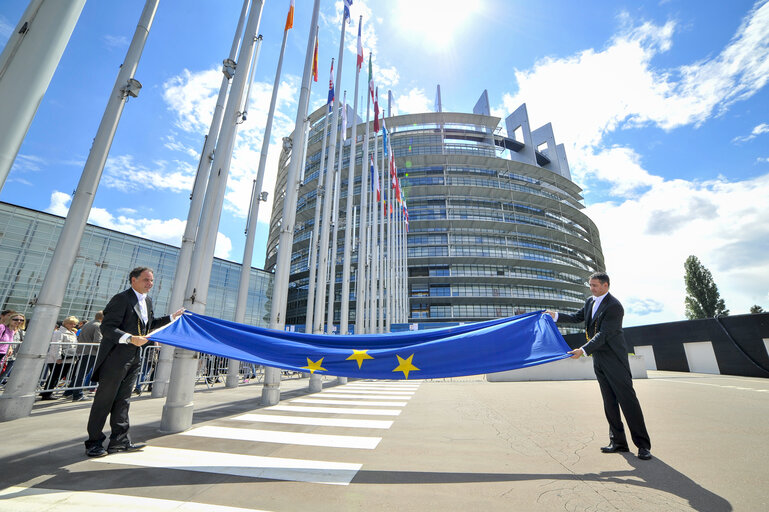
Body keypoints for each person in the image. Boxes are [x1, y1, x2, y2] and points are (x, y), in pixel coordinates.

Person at [545, 272, 652, 461]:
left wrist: (583, 350)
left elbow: (604, 334)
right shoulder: (590, 301)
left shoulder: (614, 307)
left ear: (605, 285)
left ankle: (643, 446)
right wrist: (556, 316)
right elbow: (577, 317)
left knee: (628, 401)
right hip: (600, 358)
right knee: (609, 402)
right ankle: (618, 442)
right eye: (590, 285)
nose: (591, 288)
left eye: (594, 285)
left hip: (615, 359)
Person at [84, 267, 183, 458]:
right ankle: (93, 442)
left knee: (123, 401)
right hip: (115, 357)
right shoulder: (121, 299)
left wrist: (172, 318)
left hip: (134, 356)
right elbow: (107, 327)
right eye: (146, 280)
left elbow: (150, 325)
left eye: (152, 280)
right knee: (104, 401)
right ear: (133, 280)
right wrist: (129, 338)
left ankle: (119, 441)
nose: (150, 284)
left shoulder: (147, 301)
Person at [40, 316, 79, 400]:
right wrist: (58, 357)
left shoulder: (71, 333)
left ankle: (47, 392)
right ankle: (47, 393)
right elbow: (56, 345)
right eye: (71, 323)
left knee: (58, 375)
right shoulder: (59, 333)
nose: (73, 325)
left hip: (68, 358)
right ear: (66, 323)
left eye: (74, 324)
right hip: (59, 359)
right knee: (55, 375)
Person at [71, 311, 104, 401]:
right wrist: (102, 352)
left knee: (80, 373)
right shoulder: (98, 326)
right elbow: (97, 341)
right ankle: (77, 394)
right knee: (83, 373)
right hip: (90, 352)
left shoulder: (88, 324)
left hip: (82, 351)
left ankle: (70, 392)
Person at [0, 311, 24, 380]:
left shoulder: (12, 331)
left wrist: (9, 348)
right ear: (10, 319)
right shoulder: (2, 327)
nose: (19, 321)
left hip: (4, 356)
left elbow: (8, 343)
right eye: (15, 319)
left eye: (21, 320)